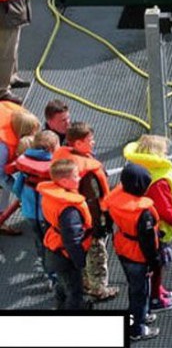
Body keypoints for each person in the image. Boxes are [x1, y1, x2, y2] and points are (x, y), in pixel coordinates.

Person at [52, 121, 119, 299]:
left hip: (75, 220)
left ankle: (86, 281)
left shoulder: (63, 159)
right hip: (90, 222)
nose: (93, 142)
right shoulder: (88, 175)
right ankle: (98, 289)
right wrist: (100, 225)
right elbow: (94, 202)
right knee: (97, 255)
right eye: (90, 140)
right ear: (78, 144)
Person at [123, 134, 172, 312]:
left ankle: (157, 289)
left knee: (154, 264)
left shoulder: (136, 168)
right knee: (157, 264)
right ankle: (155, 298)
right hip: (157, 230)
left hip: (140, 226)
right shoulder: (158, 179)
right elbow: (164, 209)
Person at [104, 163, 161, 342]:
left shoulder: (115, 199)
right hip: (138, 254)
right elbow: (148, 243)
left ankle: (142, 315)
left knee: (136, 286)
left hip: (123, 246)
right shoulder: (143, 213)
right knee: (139, 292)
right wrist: (154, 262)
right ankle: (136, 328)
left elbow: (107, 219)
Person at [38, 159, 92, 309]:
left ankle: (60, 305)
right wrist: (80, 261)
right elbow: (72, 240)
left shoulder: (51, 197)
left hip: (54, 249)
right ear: (64, 181)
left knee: (62, 285)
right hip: (65, 256)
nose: (79, 178)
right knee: (75, 292)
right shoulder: (69, 210)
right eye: (75, 176)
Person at [13, 130, 60, 288]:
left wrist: (25, 201)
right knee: (53, 243)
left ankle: (48, 272)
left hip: (29, 213)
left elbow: (16, 188)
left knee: (40, 243)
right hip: (47, 215)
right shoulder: (54, 167)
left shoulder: (26, 167)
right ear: (51, 149)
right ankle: (55, 276)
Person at [0, 102, 39, 235]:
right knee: (3, 182)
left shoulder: (18, 115)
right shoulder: (3, 148)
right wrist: (22, 194)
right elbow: (2, 176)